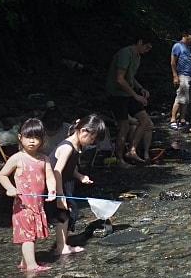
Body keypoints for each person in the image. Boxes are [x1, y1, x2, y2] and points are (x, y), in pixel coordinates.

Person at [0, 118, 57, 271]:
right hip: (23, 206)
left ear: (42, 140)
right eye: (28, 137)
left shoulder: (44, 159)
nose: (32, 141)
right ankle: (31, 265)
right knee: (28, 236)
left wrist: (52, 190)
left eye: (36, 138)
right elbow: (2, 175)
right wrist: (10, 188)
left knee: (31, 234)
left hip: (37, 205)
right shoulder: (17, 158)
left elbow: (50, 177)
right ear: (20, 137)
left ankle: (25, 262)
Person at [48, 114, 107, 256]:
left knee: (67, 212)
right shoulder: (67, 147)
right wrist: (60, 195)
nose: (92, 142)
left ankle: (62, 245)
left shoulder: (76, 146)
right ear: (83, 131)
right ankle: (61, 247)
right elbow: (57, 171)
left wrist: (80, 176)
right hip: (57, 184)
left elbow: (70, 167)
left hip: (65, 183)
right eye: (92, 138)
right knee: (63, 213)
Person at [106, 34, 154, 167]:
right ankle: (119, 159)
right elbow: (120, 79)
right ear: (140, 42)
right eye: (147, 47)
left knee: (145, 120)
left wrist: (141, 89)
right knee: (124, 126)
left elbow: (130, 77)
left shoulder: (137, 57)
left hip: (128, 94)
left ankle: (132, 151)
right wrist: (136, 95)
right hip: (117, 94)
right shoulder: (125, 54)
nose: (147, 50)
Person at [169, 28, 191, 130]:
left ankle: (182, 119)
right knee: (179, 98)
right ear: (186, 35)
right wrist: (175, 76)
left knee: (186, 99)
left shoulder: (187, 47)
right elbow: (173, 62)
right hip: (182, 75)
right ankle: (173, 120)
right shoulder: (177, 46)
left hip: (189, 75)